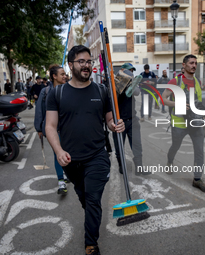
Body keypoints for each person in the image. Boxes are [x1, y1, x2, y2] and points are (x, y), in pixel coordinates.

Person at [45, 45, 124, 255]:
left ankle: (91, 244)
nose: (86, 65)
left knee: (93, 198)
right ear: (70, 65)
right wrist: (59, 151)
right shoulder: (57, 93)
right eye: (81, 61)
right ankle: (91, 217)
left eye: (89, 61)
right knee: (84, 197)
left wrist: (114, 124)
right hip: (71, 160)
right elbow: (50, 126)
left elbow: (108, 118)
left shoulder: (101, 90)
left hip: (97, 155)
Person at [162, 54, 205, 194]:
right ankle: (170, 162)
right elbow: (163, 99)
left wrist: (202, 116)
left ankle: (197, 179)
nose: (194, 65)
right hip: (179, 123)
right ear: (183, 65)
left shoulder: (197, 82)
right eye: (191, 63)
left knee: (199, 150)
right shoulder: (175, 82)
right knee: (175, 146)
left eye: (195, 63)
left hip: (195, 122)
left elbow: (198, 102)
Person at [34, 64, 69, 195]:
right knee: (57, 153)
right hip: (53, 130)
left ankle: (66, 174)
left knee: (68, 151)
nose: (65, 76)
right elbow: (39, 111)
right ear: (54, 76)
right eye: (62, 74)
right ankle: (61, 181)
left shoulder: (68, 89)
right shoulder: (45, 92)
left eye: (65, 74)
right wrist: (39, 128)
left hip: (66, 128)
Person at [112, 63, 148, 176]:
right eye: (128, 70)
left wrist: (131, 82)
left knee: (137, 145)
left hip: (132, 119)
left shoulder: (132, 83)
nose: (131, 72)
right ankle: (121, 166)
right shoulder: (115, 83)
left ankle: (139, 167)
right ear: (122, 70)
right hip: (119, 121)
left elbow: (137, 92)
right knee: (119, 147)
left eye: (132, 71)